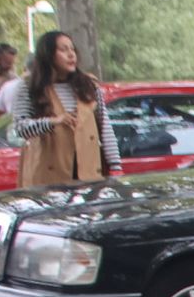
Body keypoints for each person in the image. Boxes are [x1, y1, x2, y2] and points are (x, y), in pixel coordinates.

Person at [12, 30, 120, 186]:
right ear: (48, 55)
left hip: (86, 171)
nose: (71, 55)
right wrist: (53, 122)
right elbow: (21, 128)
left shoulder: (88, 85)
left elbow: (105, 128)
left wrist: (115, 166)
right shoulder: (29, 86)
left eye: (72, 49)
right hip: (47, 173)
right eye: (63, 50)